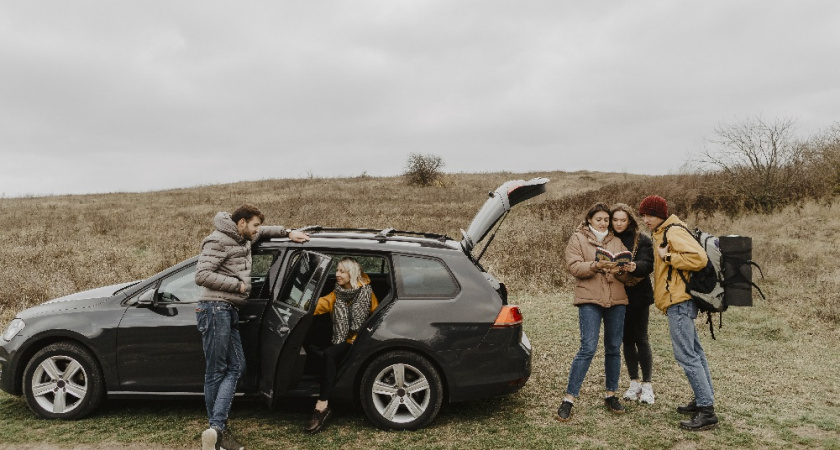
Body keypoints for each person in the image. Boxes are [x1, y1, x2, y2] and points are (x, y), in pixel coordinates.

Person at [195, 204, 310, 450]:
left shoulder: (242, 236)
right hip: (215, 309)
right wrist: (238, 286)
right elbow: (202, 275)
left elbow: (264, 232)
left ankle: (216, 431)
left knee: (237, 367)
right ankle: (218, 430)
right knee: (217, 370)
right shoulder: (217, 240)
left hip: (228, 310)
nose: (257, 230)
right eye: (254, 225)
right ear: (242, 222)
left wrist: (288, 232)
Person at [638, 195, 719, 431]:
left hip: (679, 301)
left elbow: (699, 258)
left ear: (661, 214)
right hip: (678, 300)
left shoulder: (672, 232)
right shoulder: (666, 230)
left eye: (650, 215)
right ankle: (703, 399)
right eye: (643, 215)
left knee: (686, 355)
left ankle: (707, 411)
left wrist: (669, 257)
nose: (646, 219)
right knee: (695, 352)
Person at [556, 203, 629, 422]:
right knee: (587, 347)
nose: (604, 223)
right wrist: (595, 266)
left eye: (606, 219)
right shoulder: (578, 239)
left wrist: (623, 269)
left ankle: (611, 394)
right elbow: (574, 267)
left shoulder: (617, 241)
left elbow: (626, 275)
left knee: (614, 348)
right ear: (589, 220)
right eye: (599, 219)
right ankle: (569, 399)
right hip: (589, 298)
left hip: (616, 299)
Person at [303, 257, 379, 433]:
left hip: (362, 340)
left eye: (342, 271)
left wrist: (359, 338)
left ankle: (321, 406)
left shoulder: (367, 293)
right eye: (337, 271)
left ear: (351, 273)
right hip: (342, 339)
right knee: (315, 347)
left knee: (329, 354)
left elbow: (377, 318)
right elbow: (315, 306)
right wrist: (299, 302)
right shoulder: (336, 295)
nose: (337, 275)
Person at [610, 203, 656, 405]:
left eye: (623, 220)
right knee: (626, 340)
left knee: (641, 338)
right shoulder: (608, 240)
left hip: (639, 296)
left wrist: (634, 265)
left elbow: (649, 264)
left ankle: (647, 385)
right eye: (615, 219)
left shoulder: (642, 240)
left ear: (629, 221)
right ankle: (634, 382)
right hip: (617, 295)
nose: (619, 223)